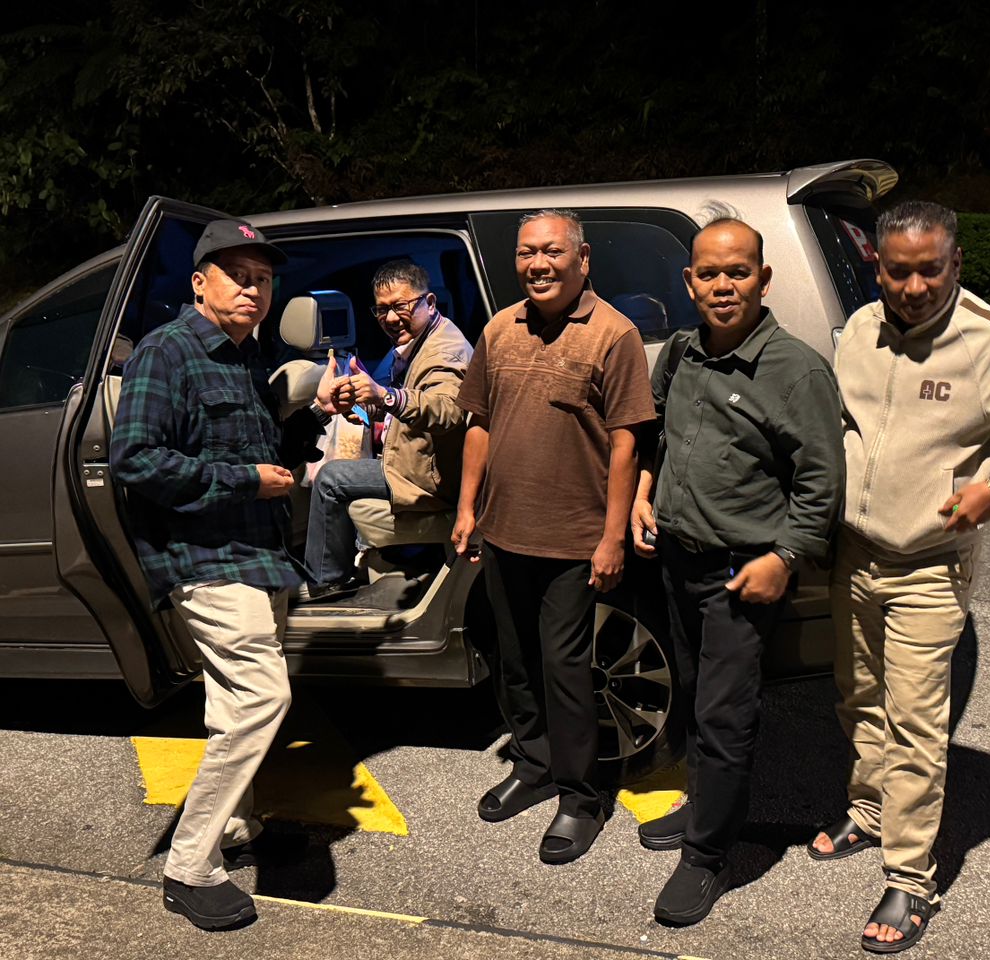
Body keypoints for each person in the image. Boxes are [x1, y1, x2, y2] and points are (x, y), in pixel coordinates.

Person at [812, 200, 990, 954]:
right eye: (898, 272)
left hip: (929, 568)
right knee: (858, 698)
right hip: (853, 555)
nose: (914, 287)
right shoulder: (860, 330)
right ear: (878, 267)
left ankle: (911, 879)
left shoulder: (988, 339)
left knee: (916, 727)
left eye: (930, 270)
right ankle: (870, 811)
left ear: (956, 262)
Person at [110, 219, 347, 930]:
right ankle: (189, 866)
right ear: (199, 283)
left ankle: (236, 827)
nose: (252, 288)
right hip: (203, 557)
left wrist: (313, 416)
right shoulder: (167, 352)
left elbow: (270, 451)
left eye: (263, 278)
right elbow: (135, 460)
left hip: (258, 553)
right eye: (237, 275)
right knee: (260, 697)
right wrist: (245, 481)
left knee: (229, 702)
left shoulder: (250, 357)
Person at [630, 216, 844, 926]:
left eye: (739, 272)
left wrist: (785, 558)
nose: (724, 285)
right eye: (710, 273)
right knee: (692, 697)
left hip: (740, 574)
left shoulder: (796, 370)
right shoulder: (681, 352)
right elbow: (658, 436)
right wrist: (642, 493)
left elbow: (822, 482)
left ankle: (708, 856)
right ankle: (704, 806)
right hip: (677, 560)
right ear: (689, 282)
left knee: (724, 717)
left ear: (764, 279)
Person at [451, 209, 655, 864]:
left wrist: (612, 536)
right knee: (513, 661)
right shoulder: (499, 329)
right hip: (504, 530)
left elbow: (627, 442)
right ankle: (534, 765)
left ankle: (582, 796)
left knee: (566, 670)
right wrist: (467, 507)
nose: (537, 264)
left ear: (582, 258)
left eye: (551, 251)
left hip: (574, 539)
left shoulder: (614, 335)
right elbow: (478, 423)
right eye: (525, 253)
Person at [301, 259, 471, 601]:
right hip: (417, 461)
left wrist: (385, 396)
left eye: (401, 306)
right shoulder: (416, 343)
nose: (391, 318)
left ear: (429, 302)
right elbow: (398, 407)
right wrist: (362, 407)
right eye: (382, 310)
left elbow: (447, 410)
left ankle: (325, 582)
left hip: (431, 477)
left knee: (331, 478)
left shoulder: (444, 351)